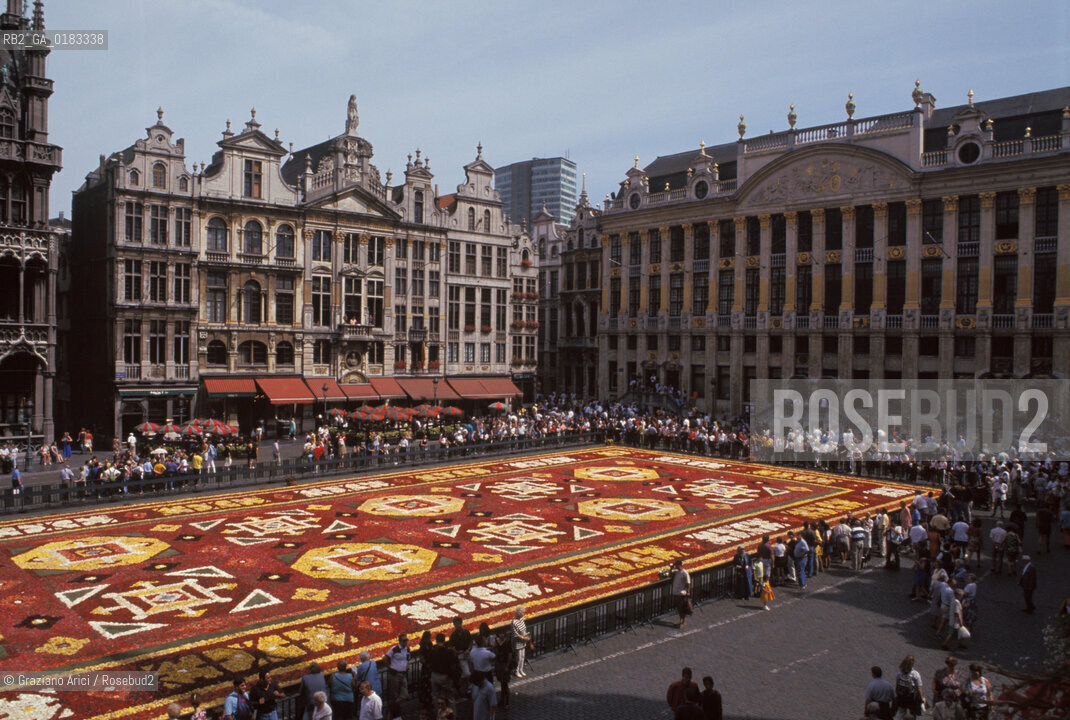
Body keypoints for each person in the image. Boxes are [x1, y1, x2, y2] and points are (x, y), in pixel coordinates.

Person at [383, 634, 410, 704]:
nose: (406, 642)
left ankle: (395, 706)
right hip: (395, 675)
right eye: (404, 640)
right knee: (394, 695)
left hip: (403, 674)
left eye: (406, 640)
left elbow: (408, 659)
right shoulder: (394, 649)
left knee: (405, 694)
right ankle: (396, 711)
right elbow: (385, 659)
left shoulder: (407, 649)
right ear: (400, 641)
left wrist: (408, 664)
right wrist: (390, 668)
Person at [670, 559, 692, 627]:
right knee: (679, 608)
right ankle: (681, 621)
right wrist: (670, 568)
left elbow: (688, 583)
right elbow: (670, 575)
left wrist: (688, 591)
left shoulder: (684, 572)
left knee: (681, 608)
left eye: (676, 565)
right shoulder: (676, 572)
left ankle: (683, 622)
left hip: (681, 593)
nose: (675, 566)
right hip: (676, 592)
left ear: (679, 565)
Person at [510, 607, 530, 678]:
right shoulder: (514, 622)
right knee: (518, 657)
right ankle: (516, 670)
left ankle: (521, 670)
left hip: (523, 641)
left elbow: (524, 629)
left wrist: (526, 636)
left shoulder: (521, 620)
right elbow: (515, 634)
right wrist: (524, 637)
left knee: (522, 656)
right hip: (518, 642)